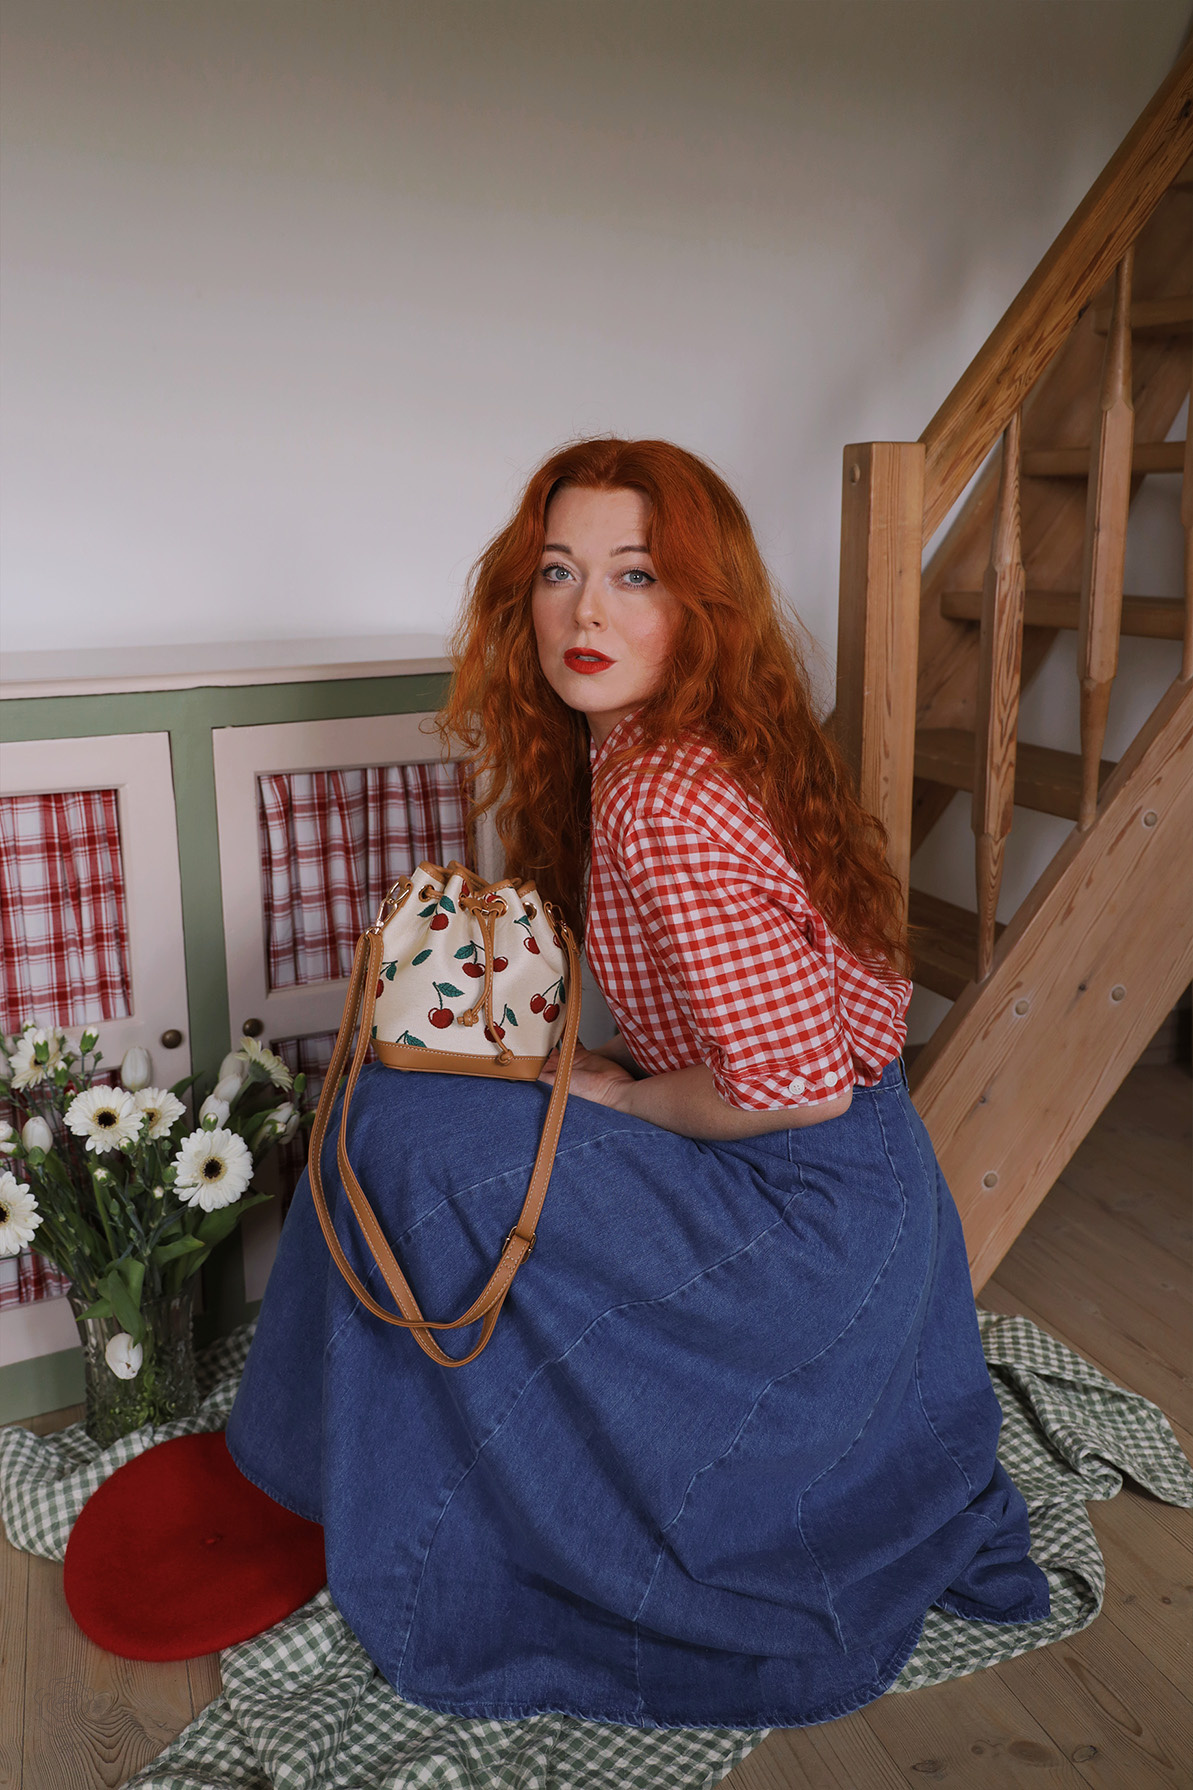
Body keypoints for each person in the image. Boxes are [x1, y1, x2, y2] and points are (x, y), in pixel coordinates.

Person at [226, 437, 1049, 1731]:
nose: (587, 613)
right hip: (855, 1188)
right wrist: (626, 1077)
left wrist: (628, 1100)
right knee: (405, 1104)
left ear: (699, 606)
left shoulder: (664, 796)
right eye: (559, 572)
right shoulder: (669, 748)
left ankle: (352, 1488)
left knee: (402, 1136)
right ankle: (335, 1468)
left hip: (809, 1223)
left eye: (635, 574)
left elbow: (797, 1087)